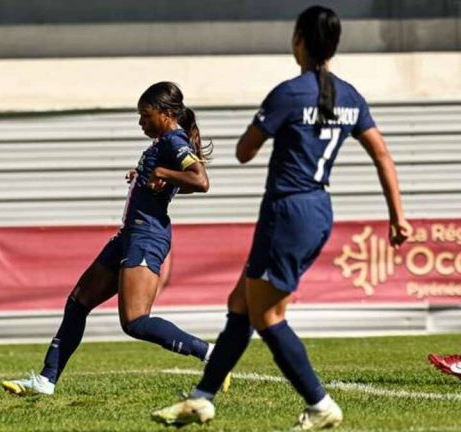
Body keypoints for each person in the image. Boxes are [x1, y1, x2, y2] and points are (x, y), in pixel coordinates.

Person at [151, 6, 412, 430]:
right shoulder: (349, 95)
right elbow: (381, 153)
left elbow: (243, 151)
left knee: (268, 317)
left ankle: (320, 404)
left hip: (287, 212)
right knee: (241, 304)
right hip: (318, 210)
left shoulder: (289, 93)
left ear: (300, 41)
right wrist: (397, 217)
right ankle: (202, 398)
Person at [1, 81, 221, 397]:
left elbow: (200, 180)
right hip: (129, 235)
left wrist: (164, 174)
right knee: (78, 301)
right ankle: (46, 380)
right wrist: (147, 178)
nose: (140, 122)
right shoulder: (163, 142)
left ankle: (211, 355)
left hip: (147, 237)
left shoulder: (174, 141)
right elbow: (174, 181)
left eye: (145, 115)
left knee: (134, 321)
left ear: (164, 113)